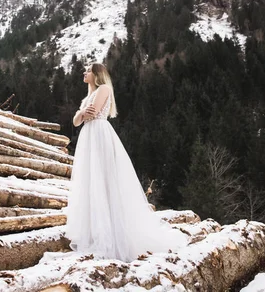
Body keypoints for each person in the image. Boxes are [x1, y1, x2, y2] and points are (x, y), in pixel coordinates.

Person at [65, 62, 187, 262]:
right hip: (88, 138)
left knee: (103, 177)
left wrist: (81, 114)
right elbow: (76, 121)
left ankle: (113, 231)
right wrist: (81, 114)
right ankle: (95, 230)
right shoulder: (87, 96)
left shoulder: (103, 89)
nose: (84, 73)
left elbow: (92, 113)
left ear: (97, 75)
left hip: (99, 135)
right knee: (90, 180)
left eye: (88, 70)